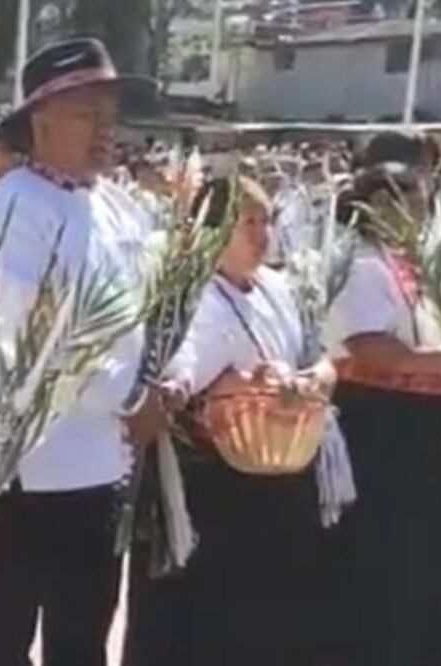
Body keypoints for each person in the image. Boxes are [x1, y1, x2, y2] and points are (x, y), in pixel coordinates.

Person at [0, 38, 161, 666]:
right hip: (33, 468)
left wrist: (164, 384)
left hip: (105, 461)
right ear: (39, 120)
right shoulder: (13, 208)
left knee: (82, 635)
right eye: (87, 114)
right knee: (9, 633)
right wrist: (130, 397)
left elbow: (151, 311)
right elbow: (29, 347)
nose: (106, 129)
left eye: (110, 114)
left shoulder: (117, 205)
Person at [128, 177, 334, 666]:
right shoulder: (190, 295)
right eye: (248, 224)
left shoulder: (278, 287)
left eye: (266, 222)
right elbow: (186, 366)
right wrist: (233, 384)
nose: (262, 235)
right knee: (218, 617)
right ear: (214, 231)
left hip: (284, 468)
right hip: (220, 481)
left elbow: (320, 354)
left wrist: (312, 380)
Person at [324, 162, 441, 666]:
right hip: (381, 422)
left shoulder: (413, 262)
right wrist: (440, 364)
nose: (421, 211)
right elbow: (368, 346)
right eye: (412, 202)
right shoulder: (362, 264)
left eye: (423, 203)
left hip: (423, 422)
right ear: (380, 206)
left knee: (424, 552)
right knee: (386, 549)